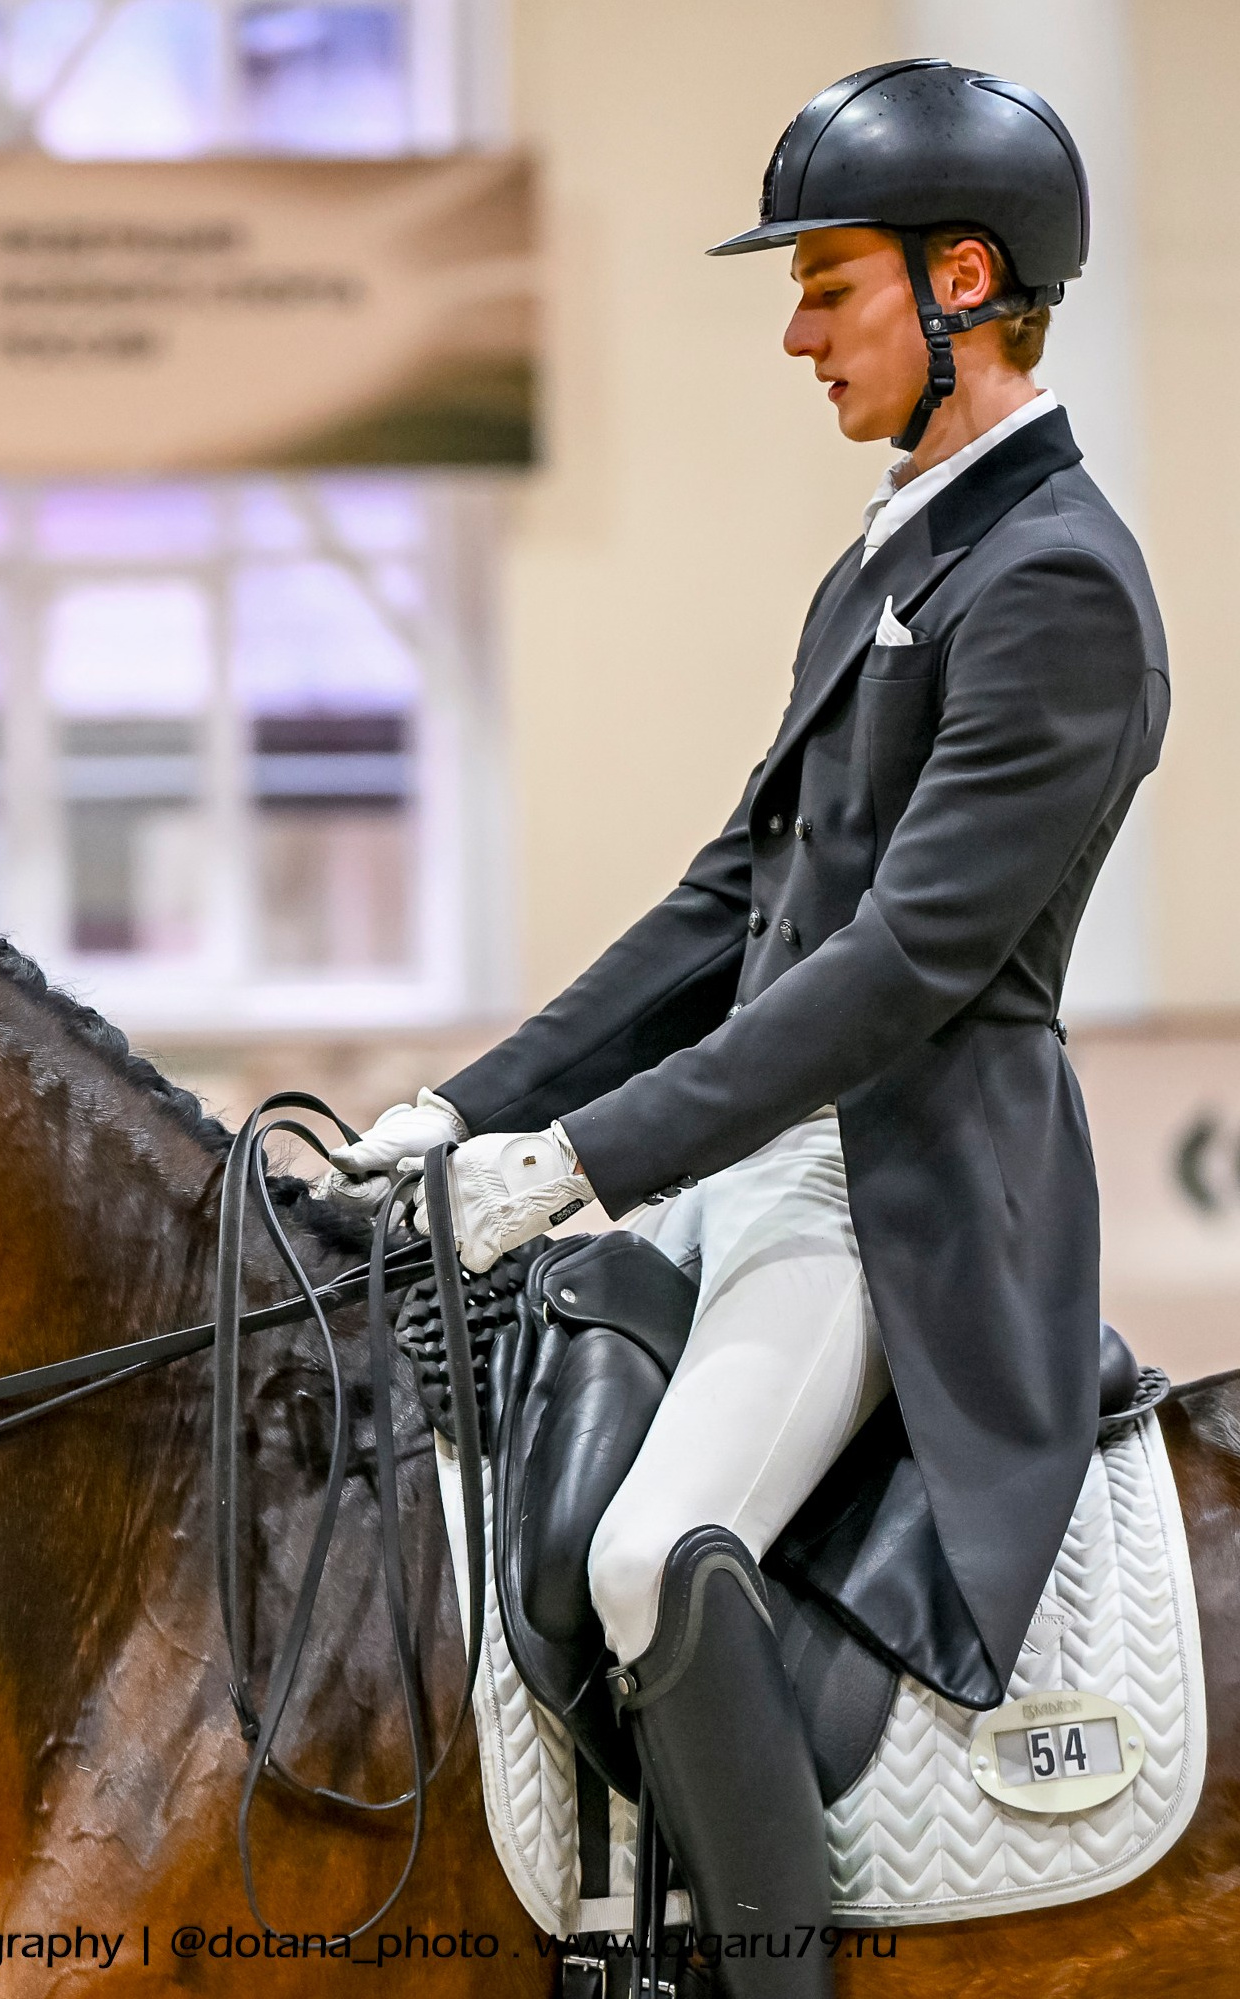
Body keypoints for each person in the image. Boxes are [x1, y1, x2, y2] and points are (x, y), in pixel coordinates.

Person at [327, 59, 1167, 1997]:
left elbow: (892, 971)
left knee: (649, 1553)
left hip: (902, 1194)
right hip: (758, 1162)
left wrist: (586, 1160)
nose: (795, 334)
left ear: (965, 281)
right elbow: (732, 904)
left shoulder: (1053, 587)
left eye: (832, 285)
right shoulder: (894, 556)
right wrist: (468, 1111)